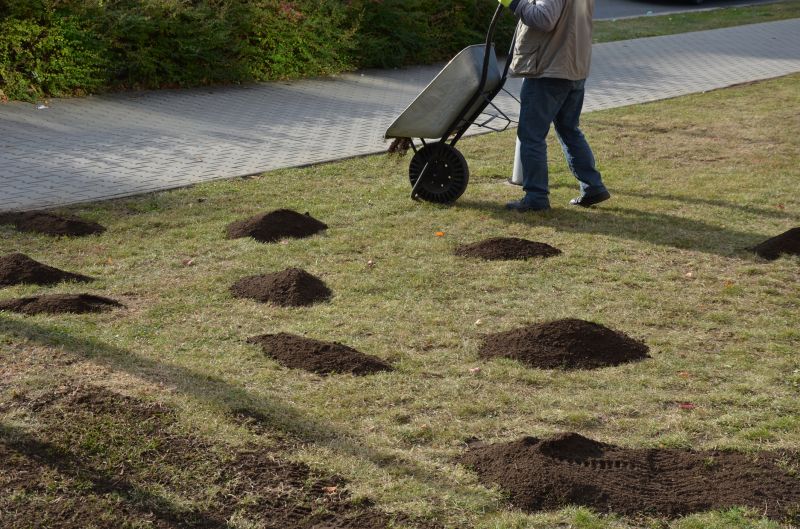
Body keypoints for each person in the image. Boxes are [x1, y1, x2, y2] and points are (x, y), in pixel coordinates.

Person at [499, 0, 611, 211]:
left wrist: (514, 3)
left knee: (531, 135)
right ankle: (593, 187)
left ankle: (536, 197)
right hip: (573, 67)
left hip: (550, 70)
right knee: (569, 130)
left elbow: (544, 18)